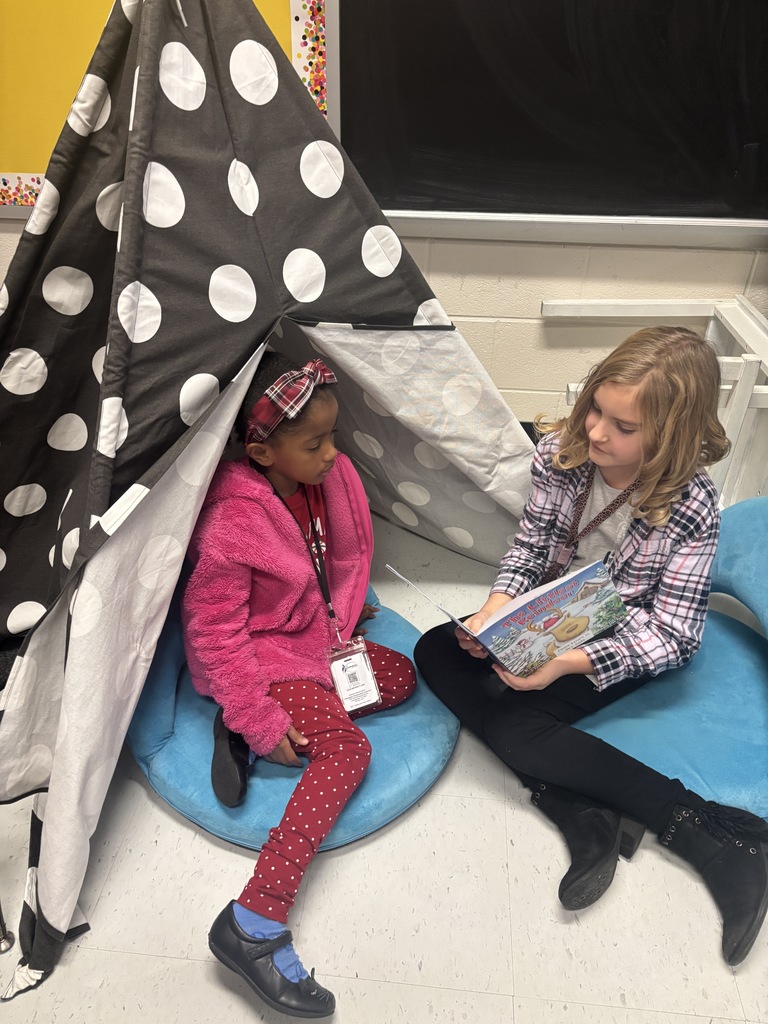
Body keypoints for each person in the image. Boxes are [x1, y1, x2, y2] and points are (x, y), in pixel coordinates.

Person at [414, 326, 768, 966]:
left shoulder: (692, 507)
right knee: (437, 650)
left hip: (621, 636)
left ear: (671, 436)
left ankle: (709, 834)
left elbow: (674, 635)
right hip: (551, 615)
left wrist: (565, 665)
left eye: (623, 426)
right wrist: (495, 611)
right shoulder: (561, 454)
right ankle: (579, 807)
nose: (598, 433)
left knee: (520, 724)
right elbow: (530, 550)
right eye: (595, 410)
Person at [183, 351, 416, 1018]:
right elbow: (214, 633)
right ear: (259, 448)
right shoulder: (232, 524)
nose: (331, 455)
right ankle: (253, 921)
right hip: (265, 662)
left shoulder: (319, 481)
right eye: (314, 443)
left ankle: (239, 733)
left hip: (315, 641)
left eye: (334, 436)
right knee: (349, 752)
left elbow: (336, 557)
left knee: (398, 677)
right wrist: (256, 711)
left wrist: (341, 615)